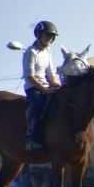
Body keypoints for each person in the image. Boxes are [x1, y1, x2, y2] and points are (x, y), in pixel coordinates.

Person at [23, 20, 61, 151]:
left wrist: (55, 83)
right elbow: (29, 75)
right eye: (47, 35)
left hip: (46, 85)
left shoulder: (48, 51)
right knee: (38, 104)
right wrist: (45, 89)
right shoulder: (31, 52)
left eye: (52, 36)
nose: (50, 39)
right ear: (38, 35)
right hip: (33, 87)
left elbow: (50, 71)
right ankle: (31, 138)